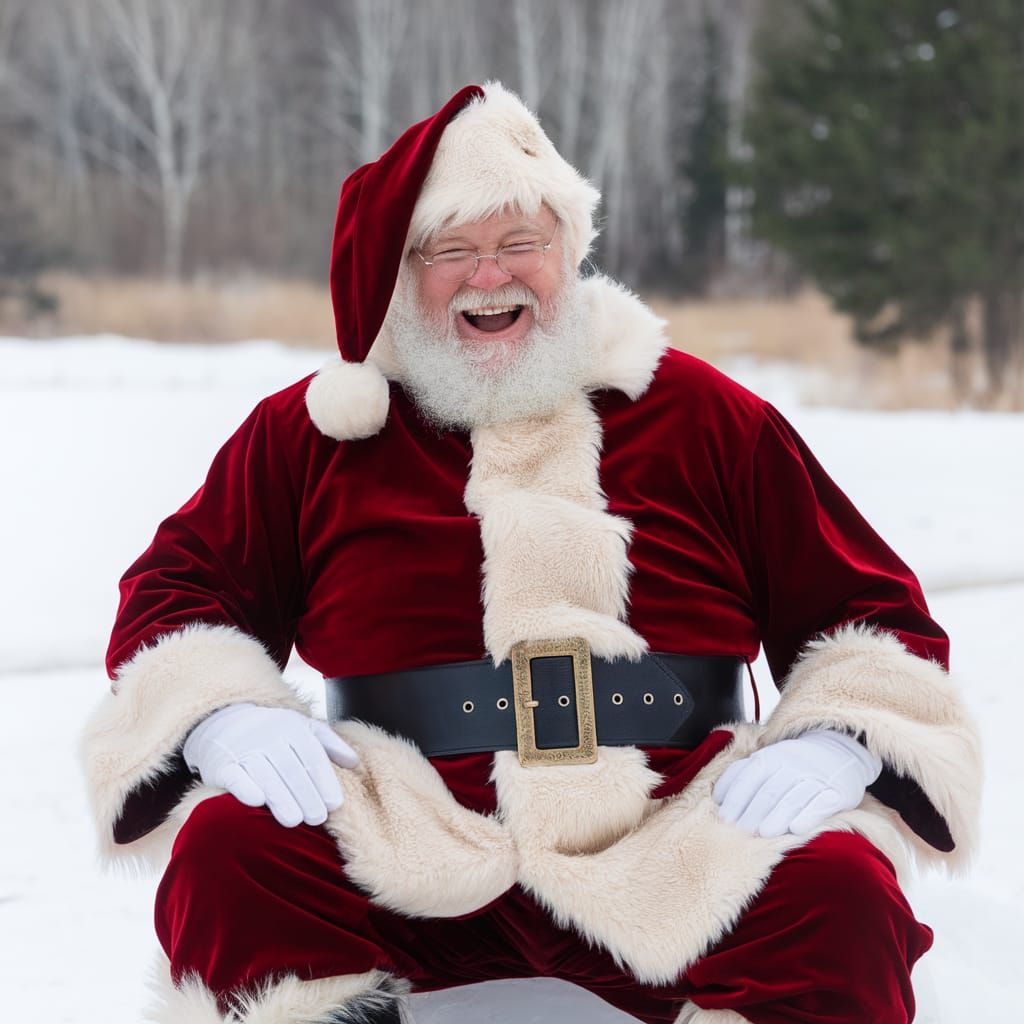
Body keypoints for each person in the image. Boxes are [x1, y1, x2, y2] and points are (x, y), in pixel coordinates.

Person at [82, 83, 980, 1024]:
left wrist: (842, 738)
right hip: (407, 835)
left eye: (520, 245)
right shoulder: (315, 436)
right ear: (402, 267)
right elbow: (176, 591)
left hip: (673, 837)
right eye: (455, 252)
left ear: (568, 251)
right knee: (232, 850)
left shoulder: (704, 417)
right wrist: (223, 715)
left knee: (837, 887)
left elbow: (869, 608)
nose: (490, 276)